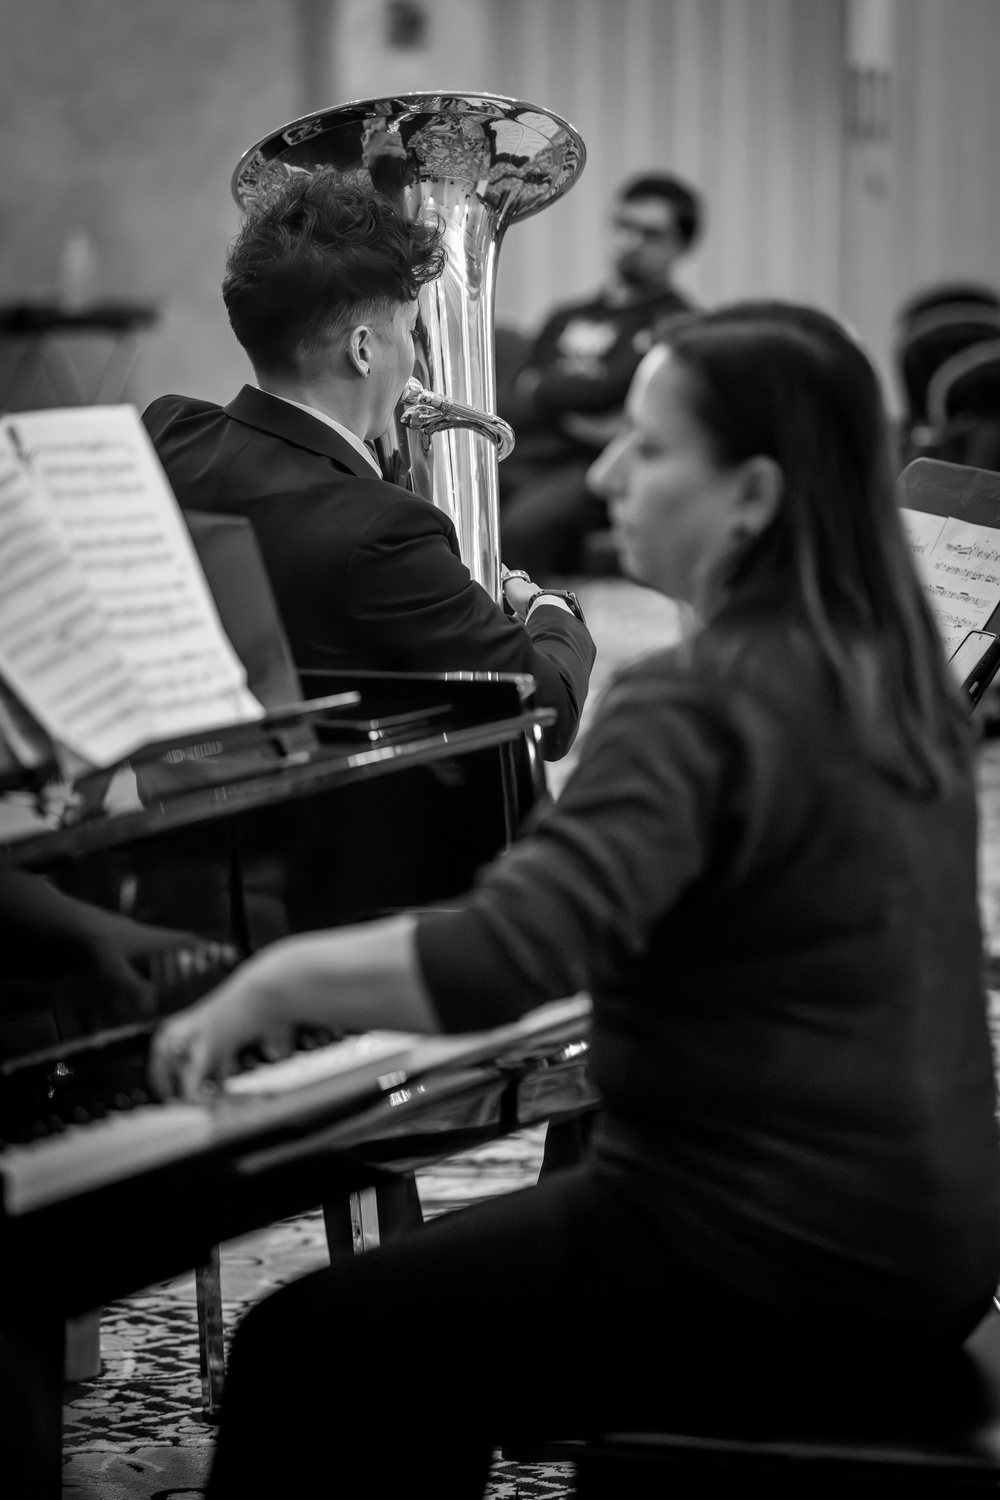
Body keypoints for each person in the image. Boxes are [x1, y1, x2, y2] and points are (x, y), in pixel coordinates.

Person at [152, 303, 1000, 1498]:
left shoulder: (698, 701)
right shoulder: (893, 673)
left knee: (307, 1347)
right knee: (442, 1311)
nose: (605, 470)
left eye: (648, 449)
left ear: (751, 496)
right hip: (930, 1238)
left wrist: (273, 980)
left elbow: (504, 961)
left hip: (761, 1247)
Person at [143, 173, 594, 764]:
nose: (412, 356)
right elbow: (548, 716)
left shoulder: (168, 431)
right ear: (362, 350)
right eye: (410, 331)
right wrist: (551, 612)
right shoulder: (386, 531)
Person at [500, 171, 701, 578]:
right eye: (624, 226)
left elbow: (618, 397)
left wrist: (551, 388)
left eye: (650, 234)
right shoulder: (567, 314)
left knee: (523, 528)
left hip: (596, 465)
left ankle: (532, 629)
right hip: (530, 452)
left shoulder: (679, 323)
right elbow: (519, 393)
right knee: (450, 503)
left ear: (680, 245)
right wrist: (584, 394)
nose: (631, 242)